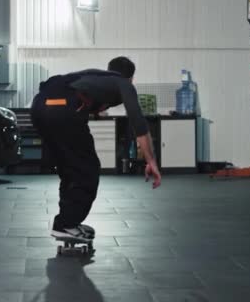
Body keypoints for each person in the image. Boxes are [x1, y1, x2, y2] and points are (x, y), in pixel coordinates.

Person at [31, 57, 162, 242]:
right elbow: (138, 121)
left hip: (38, 106)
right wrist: (152, 161)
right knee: (87, 168)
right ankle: (66, 224)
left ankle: (68, 222)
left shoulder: (94, 76)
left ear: (109, 69)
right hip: (63, 109)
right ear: (131, 77)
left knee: (70, 168)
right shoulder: (123, 82)